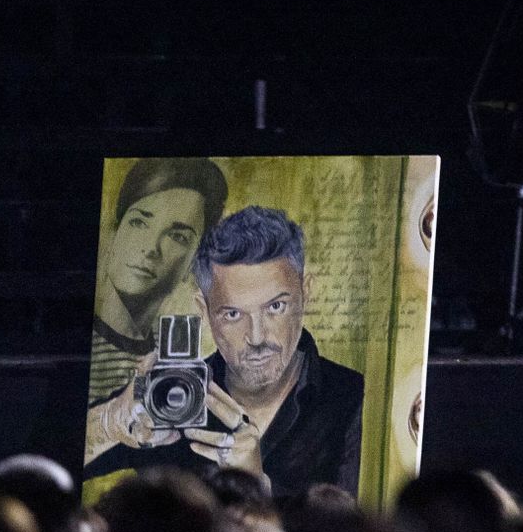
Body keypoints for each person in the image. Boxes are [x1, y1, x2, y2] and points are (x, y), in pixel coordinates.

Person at [86, 206, 364, 499]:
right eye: (232, 314)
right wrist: (109, 423)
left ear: (306, 292)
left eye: (275, 307)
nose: (257, 337)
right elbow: (51, 459)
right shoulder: (171, 394)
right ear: (204, 310)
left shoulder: (353, 396)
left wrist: (258, 486)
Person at [87, 158, 229, 401]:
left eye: (177, 236)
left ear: (193, 262)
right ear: (114, 231)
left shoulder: (177, 353)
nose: (151, 248)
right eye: (139, 222)